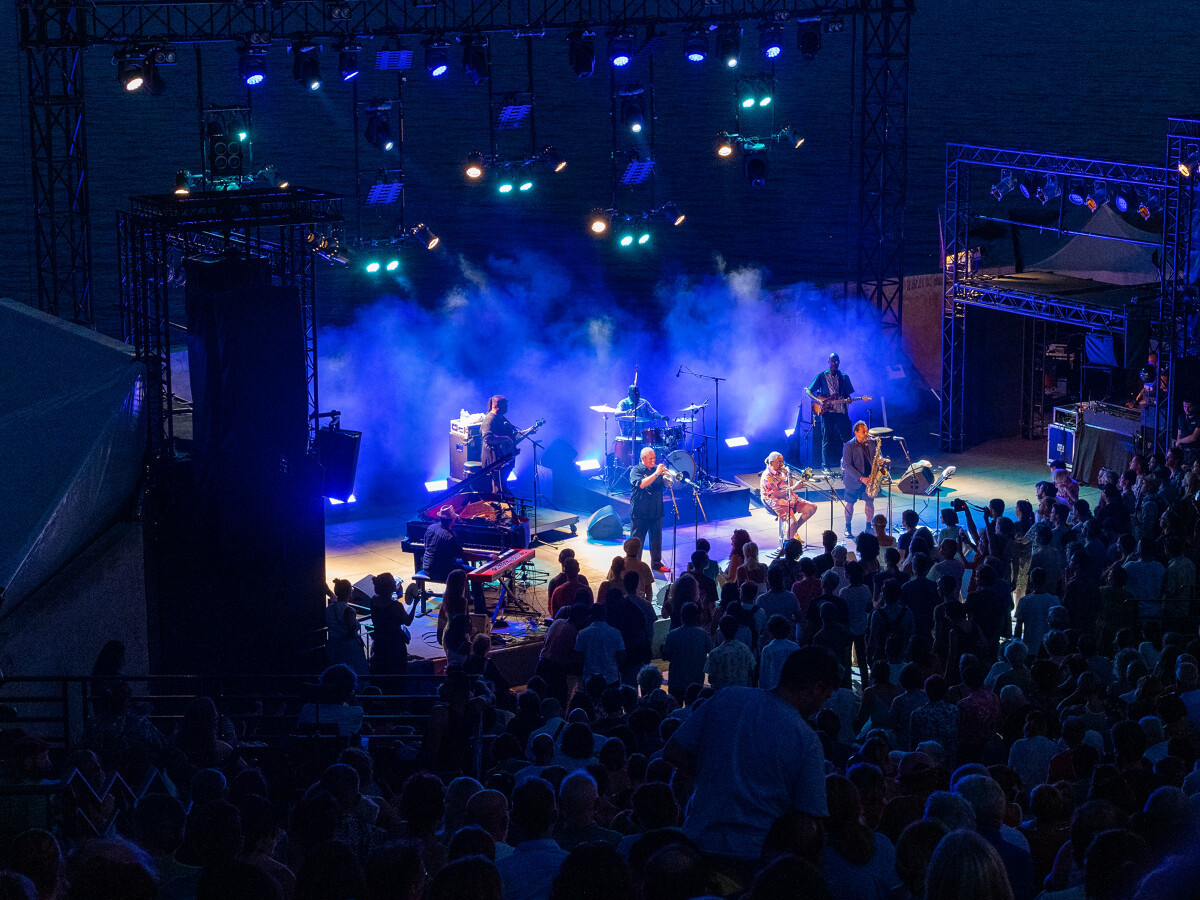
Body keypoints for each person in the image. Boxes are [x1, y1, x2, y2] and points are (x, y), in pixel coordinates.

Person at [664, 645, 839, 871]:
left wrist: (712, 774)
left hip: (697, 844)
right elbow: (808, 821)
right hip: (756, 857)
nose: (821, 706)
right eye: (825, 697)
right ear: (817, 688)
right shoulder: (806, 739)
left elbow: (673, 751)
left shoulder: (727, 698)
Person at [806, 352, 858, 470]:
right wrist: (818, 401)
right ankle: (825, 466)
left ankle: (848, 464)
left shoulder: (844, 377)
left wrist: (848, 399)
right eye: (833, 361)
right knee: (827, 438)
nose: (835, 363)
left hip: (841, 411)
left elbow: (848, 394)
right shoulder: (822, 376)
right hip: (827, 412)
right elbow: (808, 391)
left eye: (837, 361)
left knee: (847, 438)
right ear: (828, 362)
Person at [629, 447, 670, 573]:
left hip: (656, 511)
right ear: (643, 459)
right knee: (637, 541)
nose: (654, 460)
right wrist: (656, 473)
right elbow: (642, 484)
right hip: (640, 513)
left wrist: (667, 478)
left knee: (657, 540)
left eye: (654, 458)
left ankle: (656, 564)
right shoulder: (636, 470)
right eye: (650, 458)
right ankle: (634, 565)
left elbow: (666, 485)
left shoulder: (656, 469)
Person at [760, 451, 817, 542]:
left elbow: (788, 486)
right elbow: (775, 494)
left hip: (788, 497)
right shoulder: (767, 476)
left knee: (812, 507)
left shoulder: (781, 472)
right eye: (779, 462)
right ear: (771, 463)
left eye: (782, 461)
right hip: (775, 500)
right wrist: (794, 488)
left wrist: (789, 475)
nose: (782, 464)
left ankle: (793, 530)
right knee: (792, 522)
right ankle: (789, 545)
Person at [661, 602, 713, 699]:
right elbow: (712, 652)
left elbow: (666, 656)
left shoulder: (672, 634)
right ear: (696, 617)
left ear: (681, 616)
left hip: (676, 681)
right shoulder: (704, 634)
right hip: (696, 681)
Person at [368, 572, 414, 675]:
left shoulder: (373, 601)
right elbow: (408, 621)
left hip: (380, 641)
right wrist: (415, 604)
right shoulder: (396, 606)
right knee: (398, 670)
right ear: (390, 587)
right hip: (395, 643)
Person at [326, 578, 369, 677]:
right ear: (349, 593)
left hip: (334, 646)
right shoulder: (349, 610)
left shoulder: (329, 609)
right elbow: (351, 629)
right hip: (349, 648)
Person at [840, 421, 876, 539]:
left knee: (870, 503)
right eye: (863, 432)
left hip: (869, 479)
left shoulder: (870, 443)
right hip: (854, 480)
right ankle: (847, 527)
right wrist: (861, 478)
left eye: (866, 431)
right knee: (850, 503)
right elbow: (846, 465)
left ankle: (868, 526)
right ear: (856, 432)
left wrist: (879, 460)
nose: (866, 434)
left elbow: (875, 456)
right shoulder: (849, 446)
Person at [480, 395, 520, 494]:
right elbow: (487, 438)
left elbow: (512, 435)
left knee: (502, 485)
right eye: (505, 405)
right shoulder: (490, 419)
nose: (507, 407)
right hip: (495, 459)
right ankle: (499, 507)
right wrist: (505, 439)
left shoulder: (501, 417)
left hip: (503, 458)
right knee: (498, 488)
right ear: (497, 405)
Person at [1175, 397, 1200, 463]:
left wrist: (1180, 441)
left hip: (1195, 452)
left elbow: (1194, 437)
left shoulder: (1198, 418)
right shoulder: (1181, 418)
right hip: (1183, 451)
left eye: (1189, 407)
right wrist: (1179, 443)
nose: (1186, 409)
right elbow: (1179, 434)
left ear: (1194, 406)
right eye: (1184, 407)